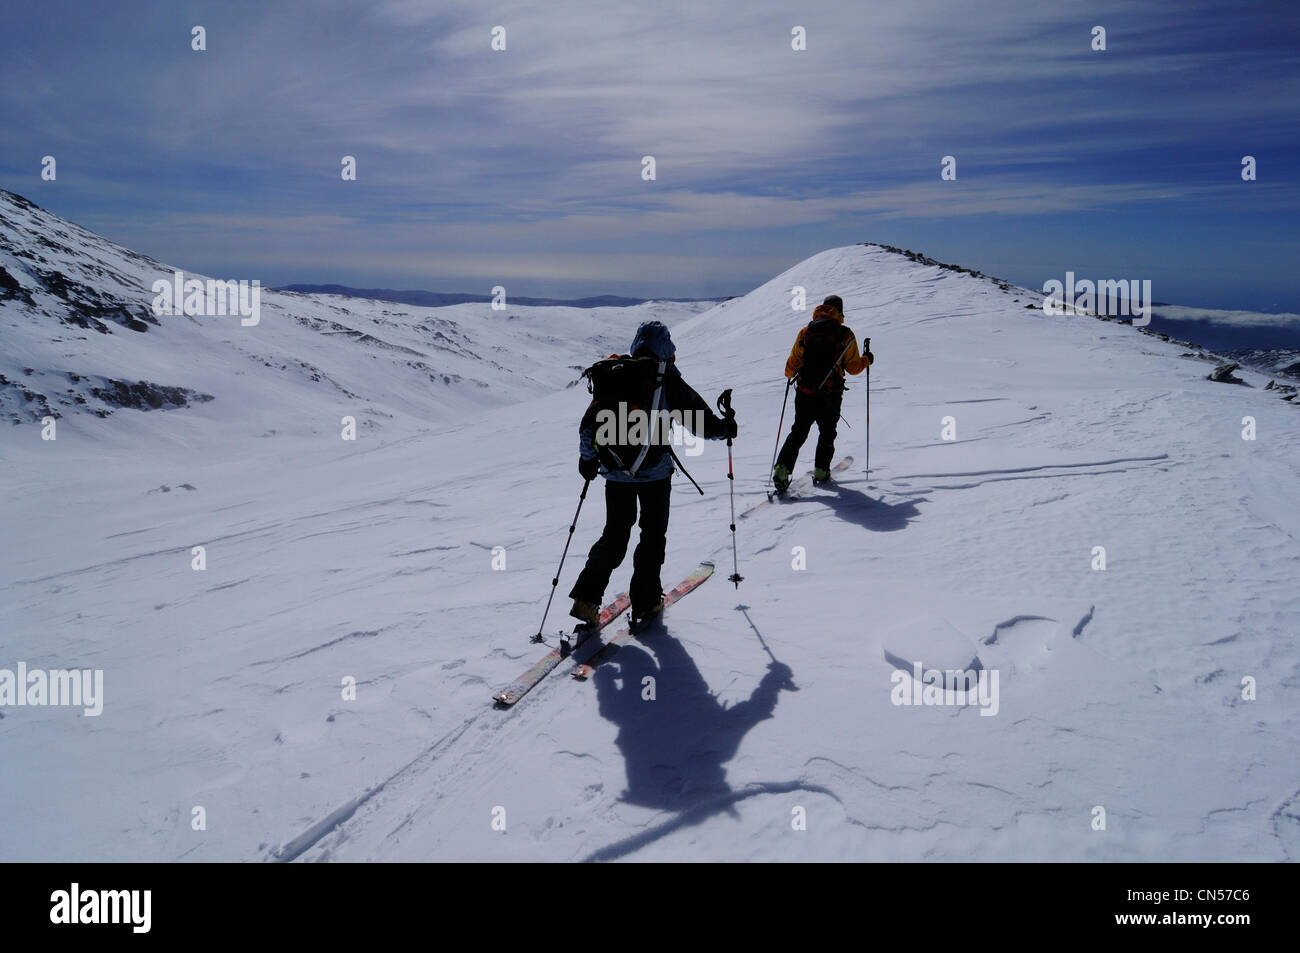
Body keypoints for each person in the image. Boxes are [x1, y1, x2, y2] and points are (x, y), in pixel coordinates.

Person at [569, 321, 737, 628]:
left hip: (615, 472)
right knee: (651, 535)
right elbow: (700, 422)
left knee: (614, 535)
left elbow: (588, 425)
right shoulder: (665, 378)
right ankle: (646, 603)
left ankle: (586, 598)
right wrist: (725, 428)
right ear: (665, 346)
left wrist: (587, 460)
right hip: (654, 475)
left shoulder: (614, 374)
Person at [772, 294, 873, 492]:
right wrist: (866, 359)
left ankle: (782, 471)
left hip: (805, 391)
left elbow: (790, 366)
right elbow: (853, 368)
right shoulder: (845, 334)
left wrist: (792, 374)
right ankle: (821, 471)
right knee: (827, 432)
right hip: (830, 394)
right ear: (840, 311)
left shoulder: (805, 331)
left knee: (799, 432)